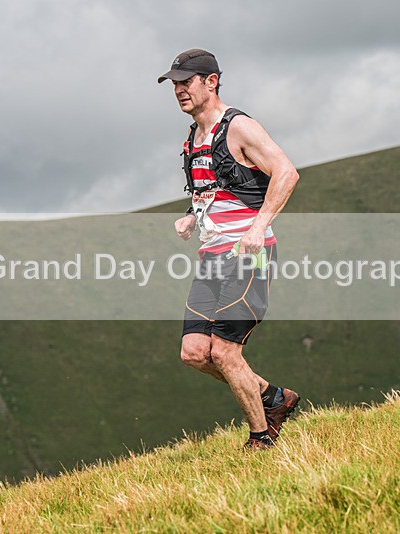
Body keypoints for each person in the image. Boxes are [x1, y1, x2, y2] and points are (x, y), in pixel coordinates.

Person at [158, 49, 301, 449]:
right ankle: (274, 398)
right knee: (193, 352)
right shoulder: (195, 136)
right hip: (212, 258)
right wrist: (192, 215)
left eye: (187, 82)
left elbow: (286, 173)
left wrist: (259, 227)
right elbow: (218, 188)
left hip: (248, 254)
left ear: (211, 81)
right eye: (175, 84)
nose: (180, 90)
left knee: (223, 351)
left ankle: (261, 439)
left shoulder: (238, 126)